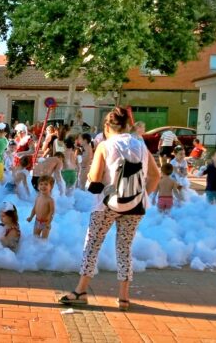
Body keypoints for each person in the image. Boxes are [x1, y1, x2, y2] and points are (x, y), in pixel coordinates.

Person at [59, 107, 160, 312]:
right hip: (135, 205)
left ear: (107, 126)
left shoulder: (105, 146)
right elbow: (155, 175)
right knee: (124, 249)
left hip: (106, 204)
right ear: (129, 125)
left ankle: (81, 291)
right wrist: (142, 195)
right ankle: (123, 297)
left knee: (93, 245)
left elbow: (95, 179)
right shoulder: (141, 145)